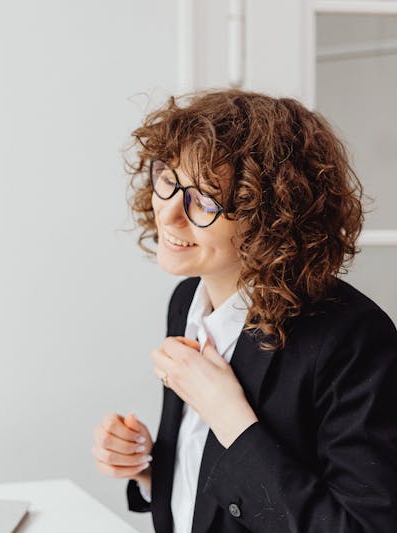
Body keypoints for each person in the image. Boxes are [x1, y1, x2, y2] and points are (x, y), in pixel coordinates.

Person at [92, 89, 397, 533]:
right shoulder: (187, 302)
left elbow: (360, 527)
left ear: (272, 218)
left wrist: (230, 417)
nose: (170, 214)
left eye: (205, 198)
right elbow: (213, 489)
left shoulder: (353, 339)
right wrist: (149, 466)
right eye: (168, 179)